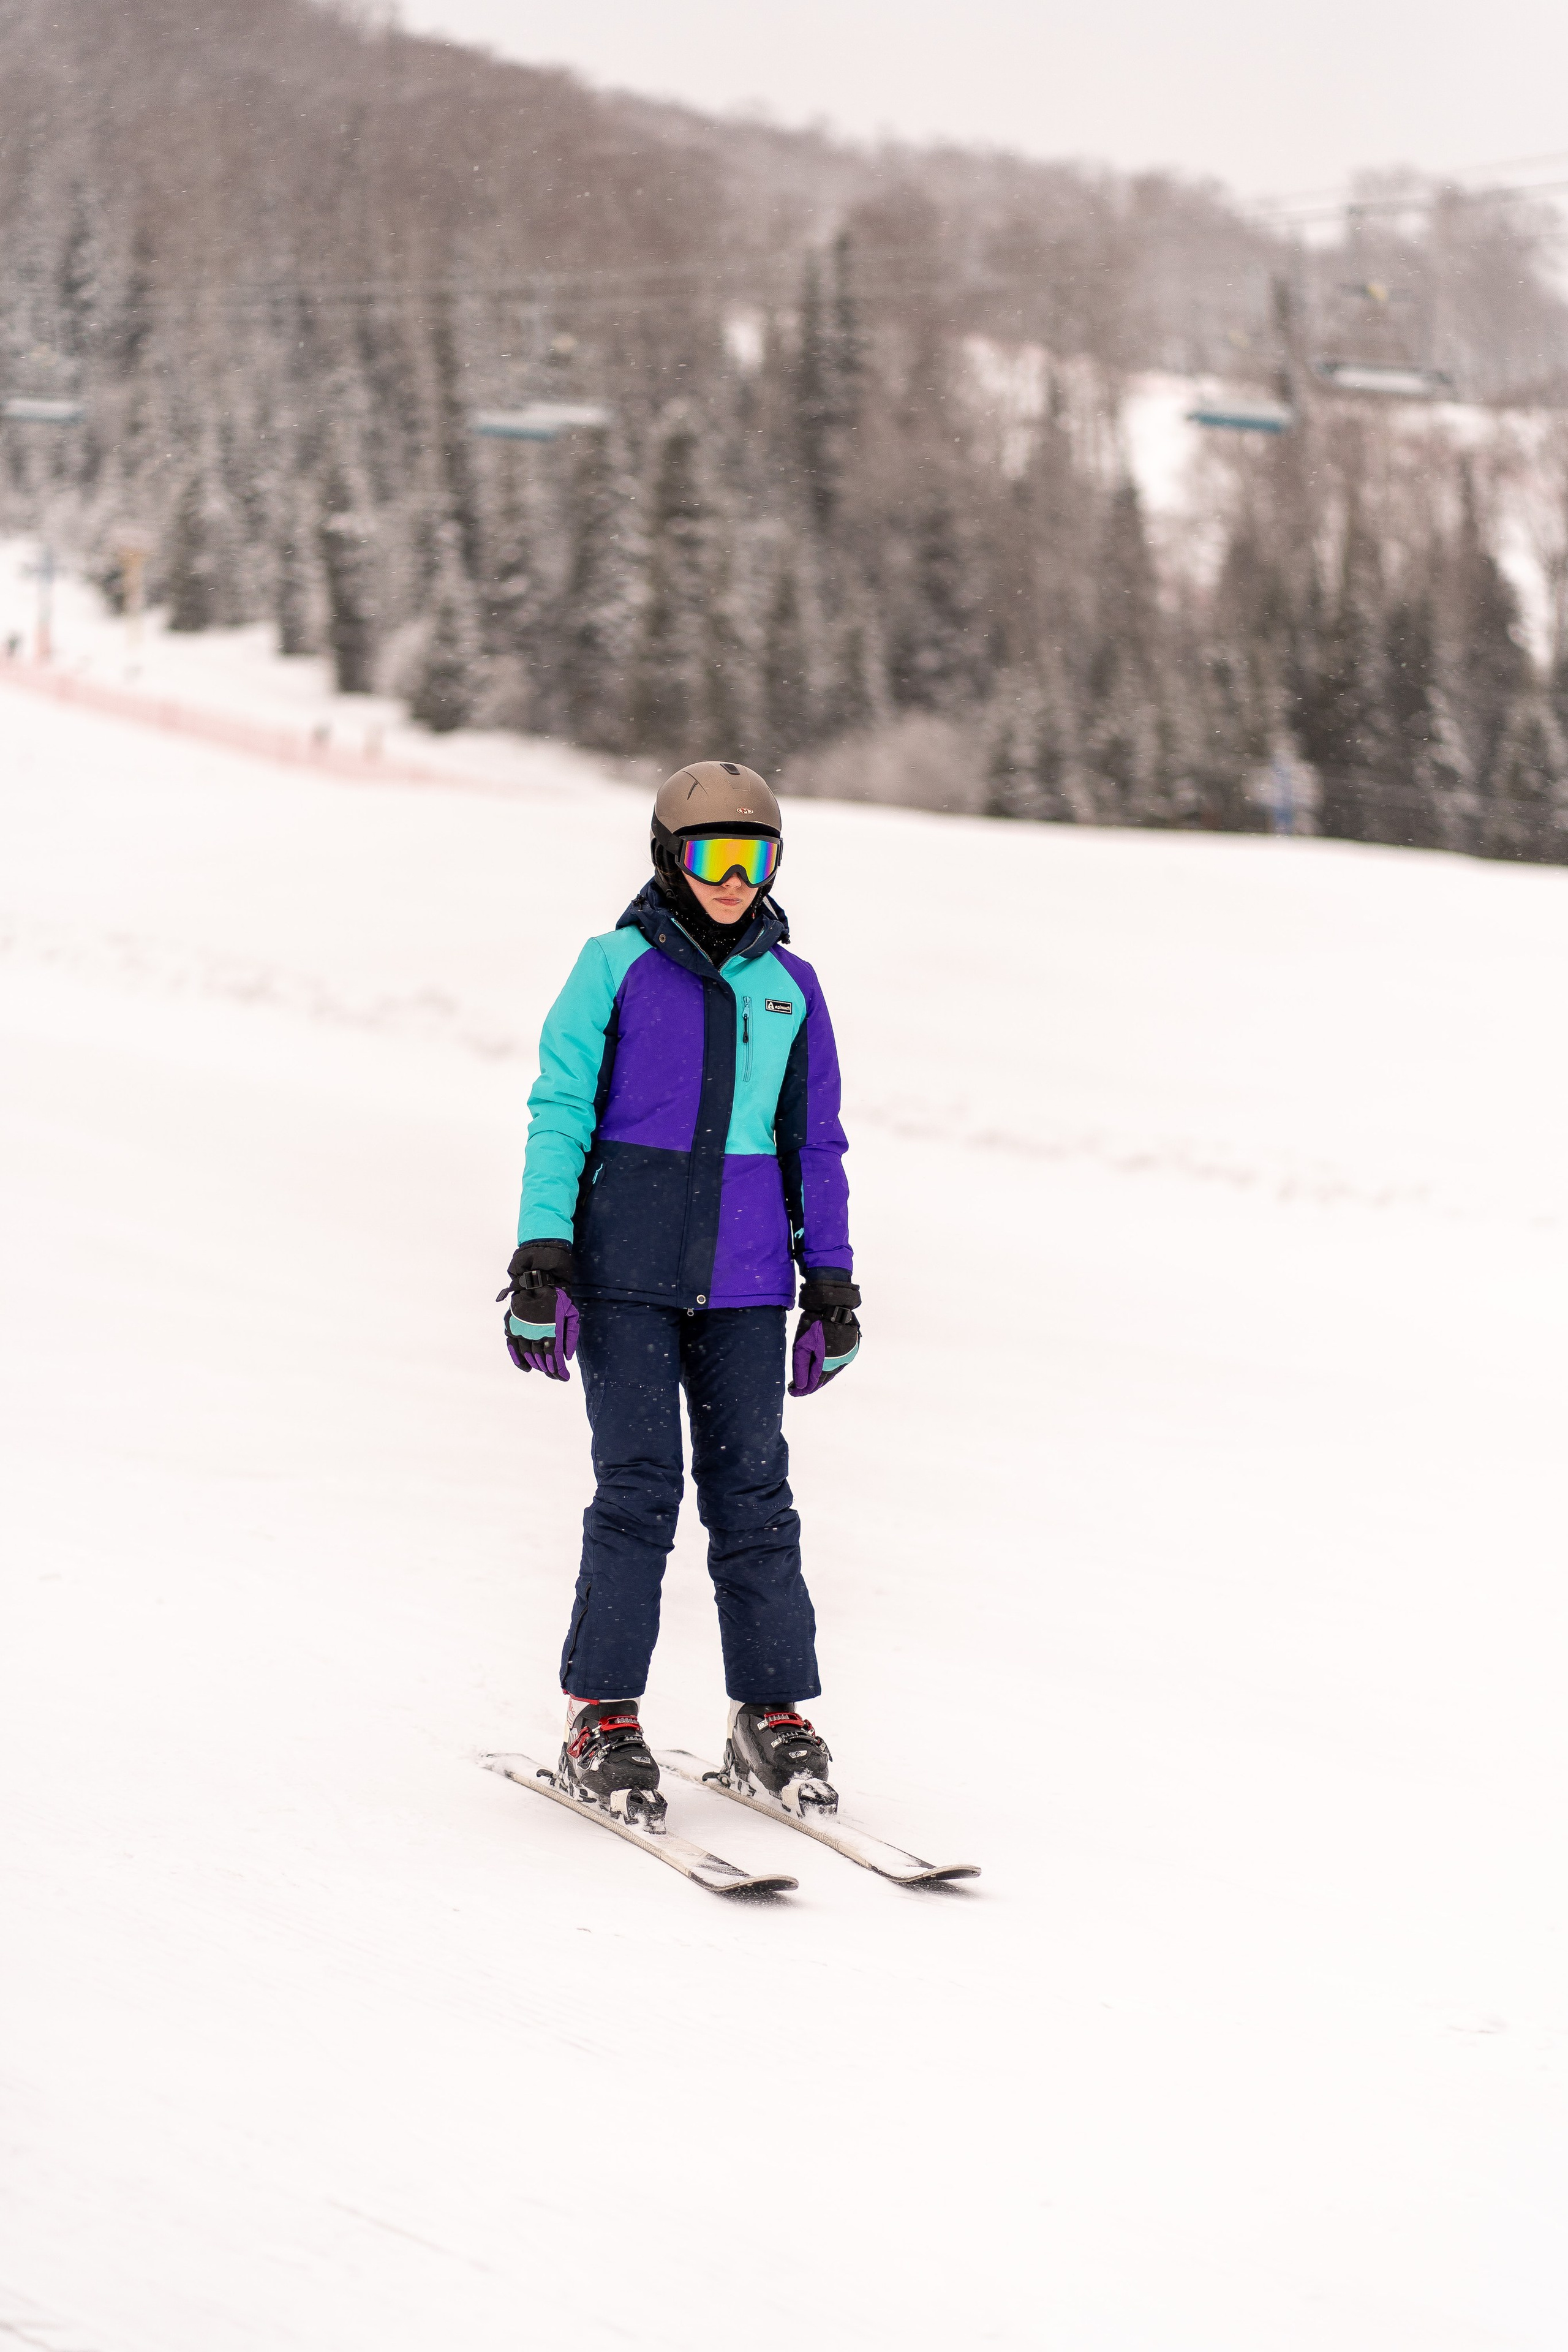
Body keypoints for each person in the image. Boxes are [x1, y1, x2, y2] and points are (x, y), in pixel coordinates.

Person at [499, 761, 861, 1833]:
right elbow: (561, 1106)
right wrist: (542, 1253)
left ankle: (771, 1714)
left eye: (755, 858)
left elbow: (815, 1142)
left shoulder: (791, 987)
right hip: (625, 1279)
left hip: (747, 1285)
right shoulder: (612, 968)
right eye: (713, 856)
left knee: (755, 1493)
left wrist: (830, 1280)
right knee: (640, 1487)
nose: (734, 879)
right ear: (670, 857)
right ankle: (602, 1717)